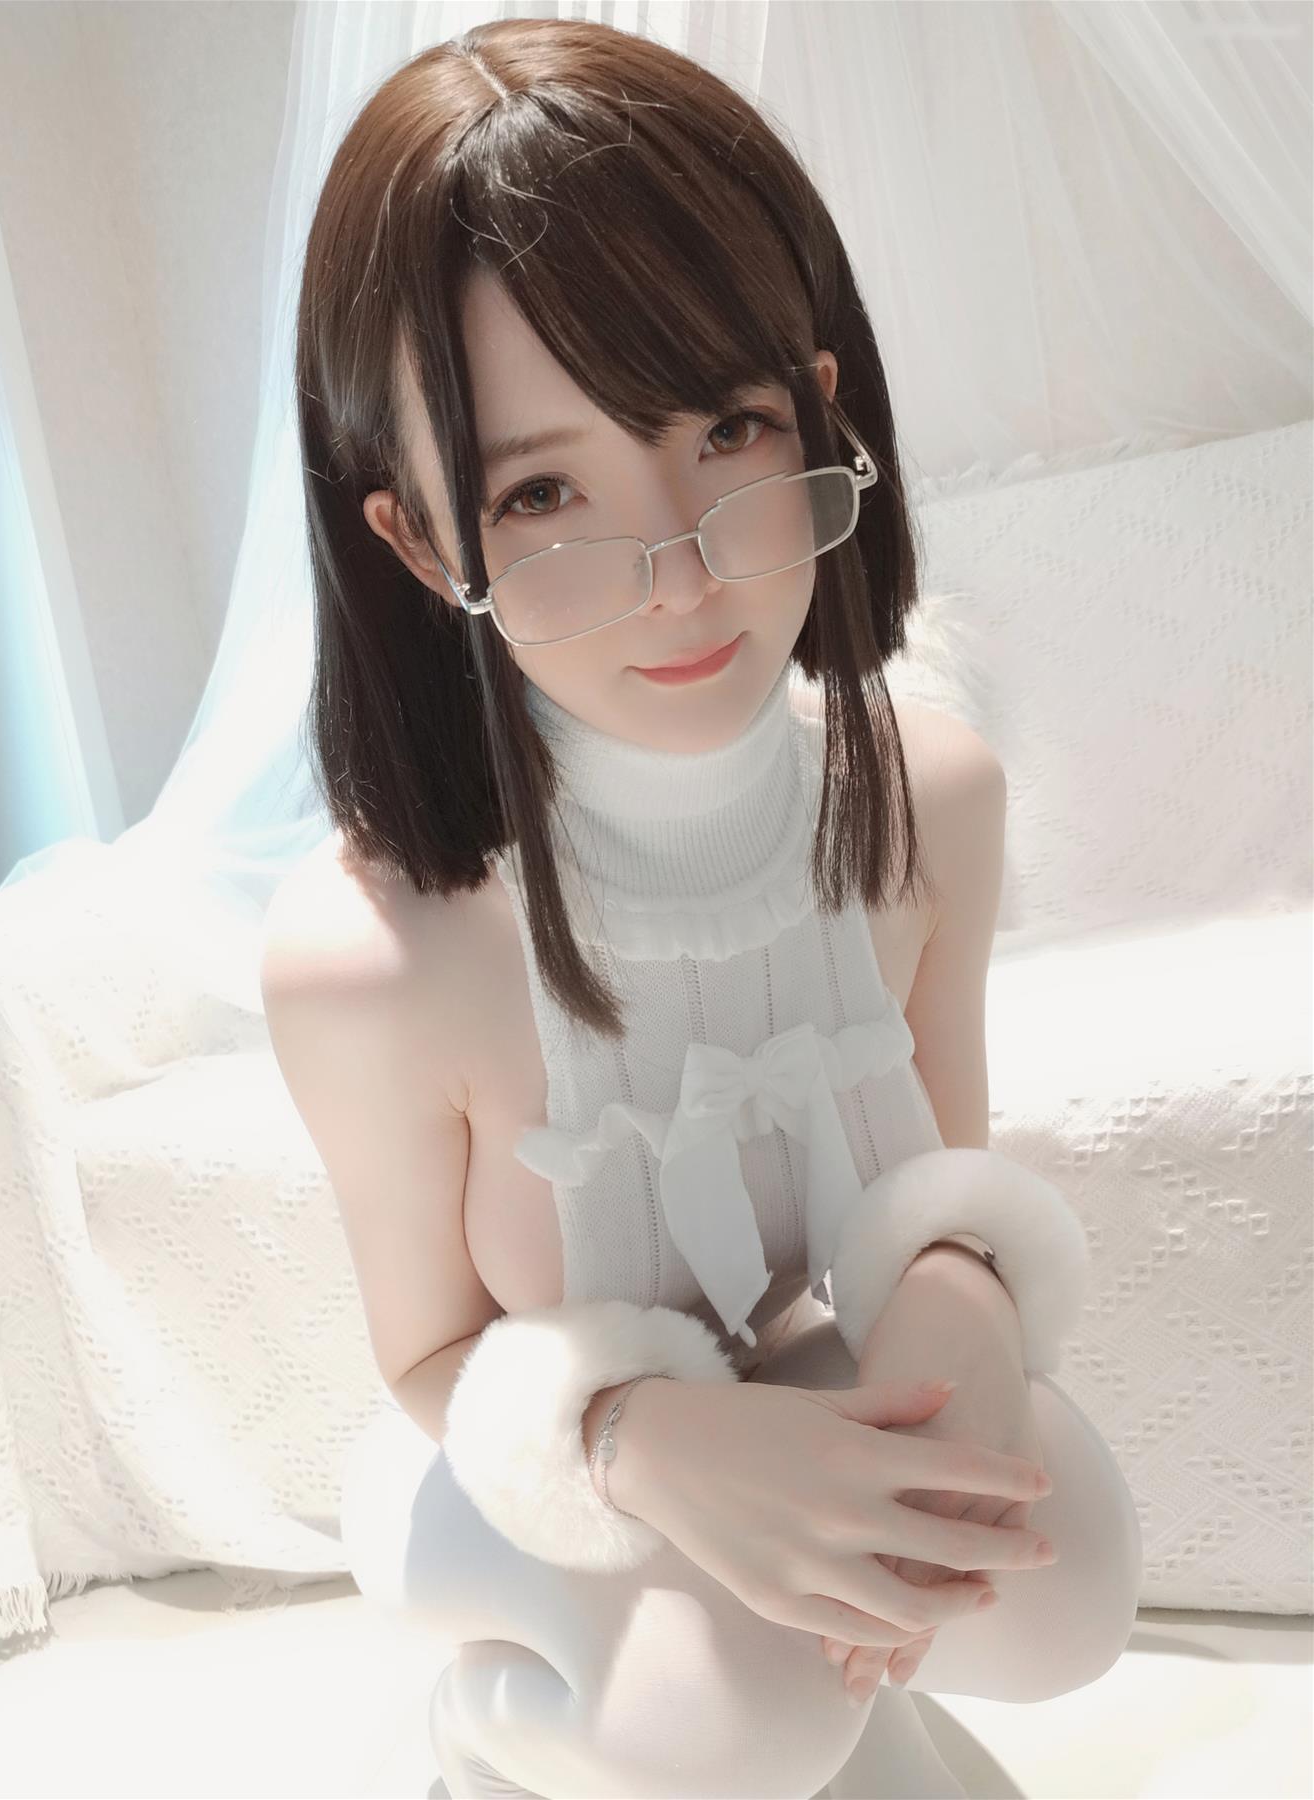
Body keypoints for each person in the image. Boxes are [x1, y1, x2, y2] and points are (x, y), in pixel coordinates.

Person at [262, 16, 1143, 1797]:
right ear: (421, 543)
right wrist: (645, 1443)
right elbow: (430, 1353)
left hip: (772, 1384)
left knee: (1061, 1584)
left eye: (727, 429)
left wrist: (959, 1315)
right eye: (541, 489)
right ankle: (495, 1728)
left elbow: (927, 1188)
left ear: (817, 404)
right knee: (728, 1729)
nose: (678, 569)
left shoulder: (928, 797)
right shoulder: (372, 956)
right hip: (502, 1465)